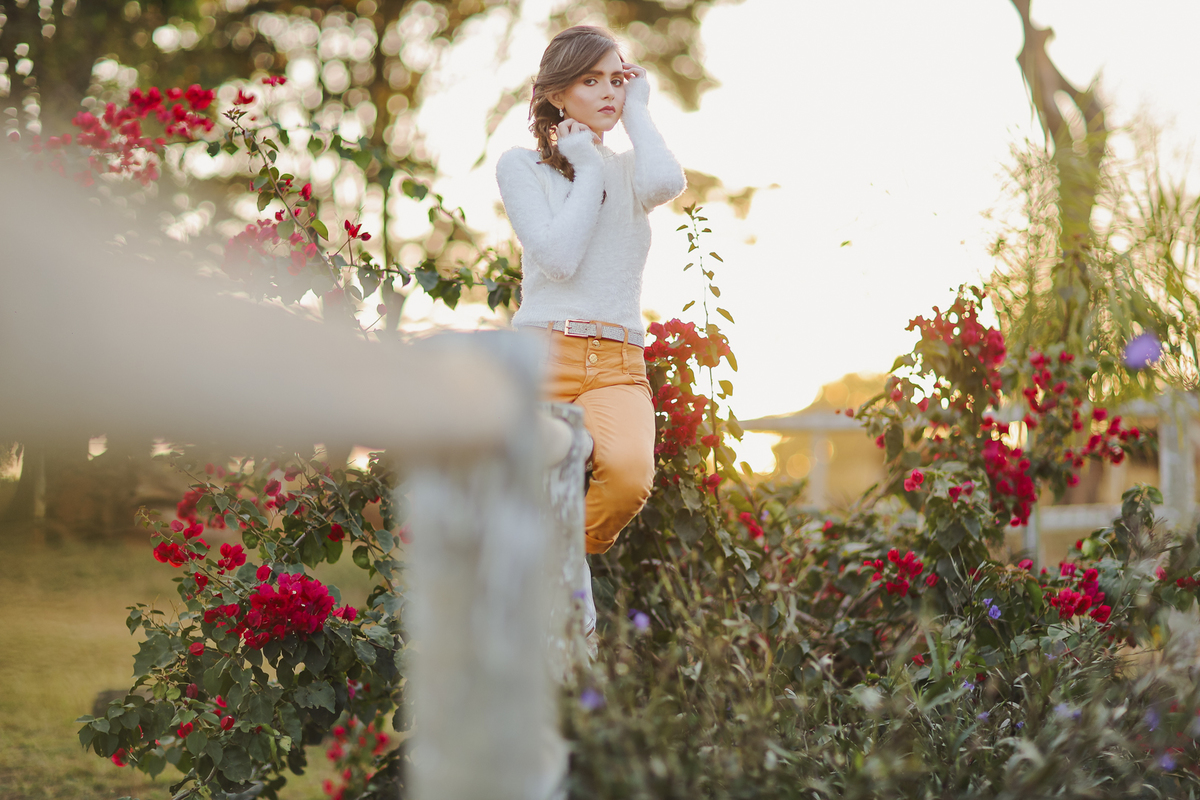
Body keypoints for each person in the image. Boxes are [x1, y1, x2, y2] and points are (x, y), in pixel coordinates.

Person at [495, 25, 686, 636]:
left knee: (629, 476)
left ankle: (546, 559)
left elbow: (666, 184)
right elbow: (558, 258)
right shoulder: (522, 167)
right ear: (557, 95)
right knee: (536, 492)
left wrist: (641, 110)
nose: (609, 92)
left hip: (618, 362)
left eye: (616, 79)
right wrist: (584, 168)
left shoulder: (629, 170)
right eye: (590, 80)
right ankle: (561, 628)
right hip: (543, 356)